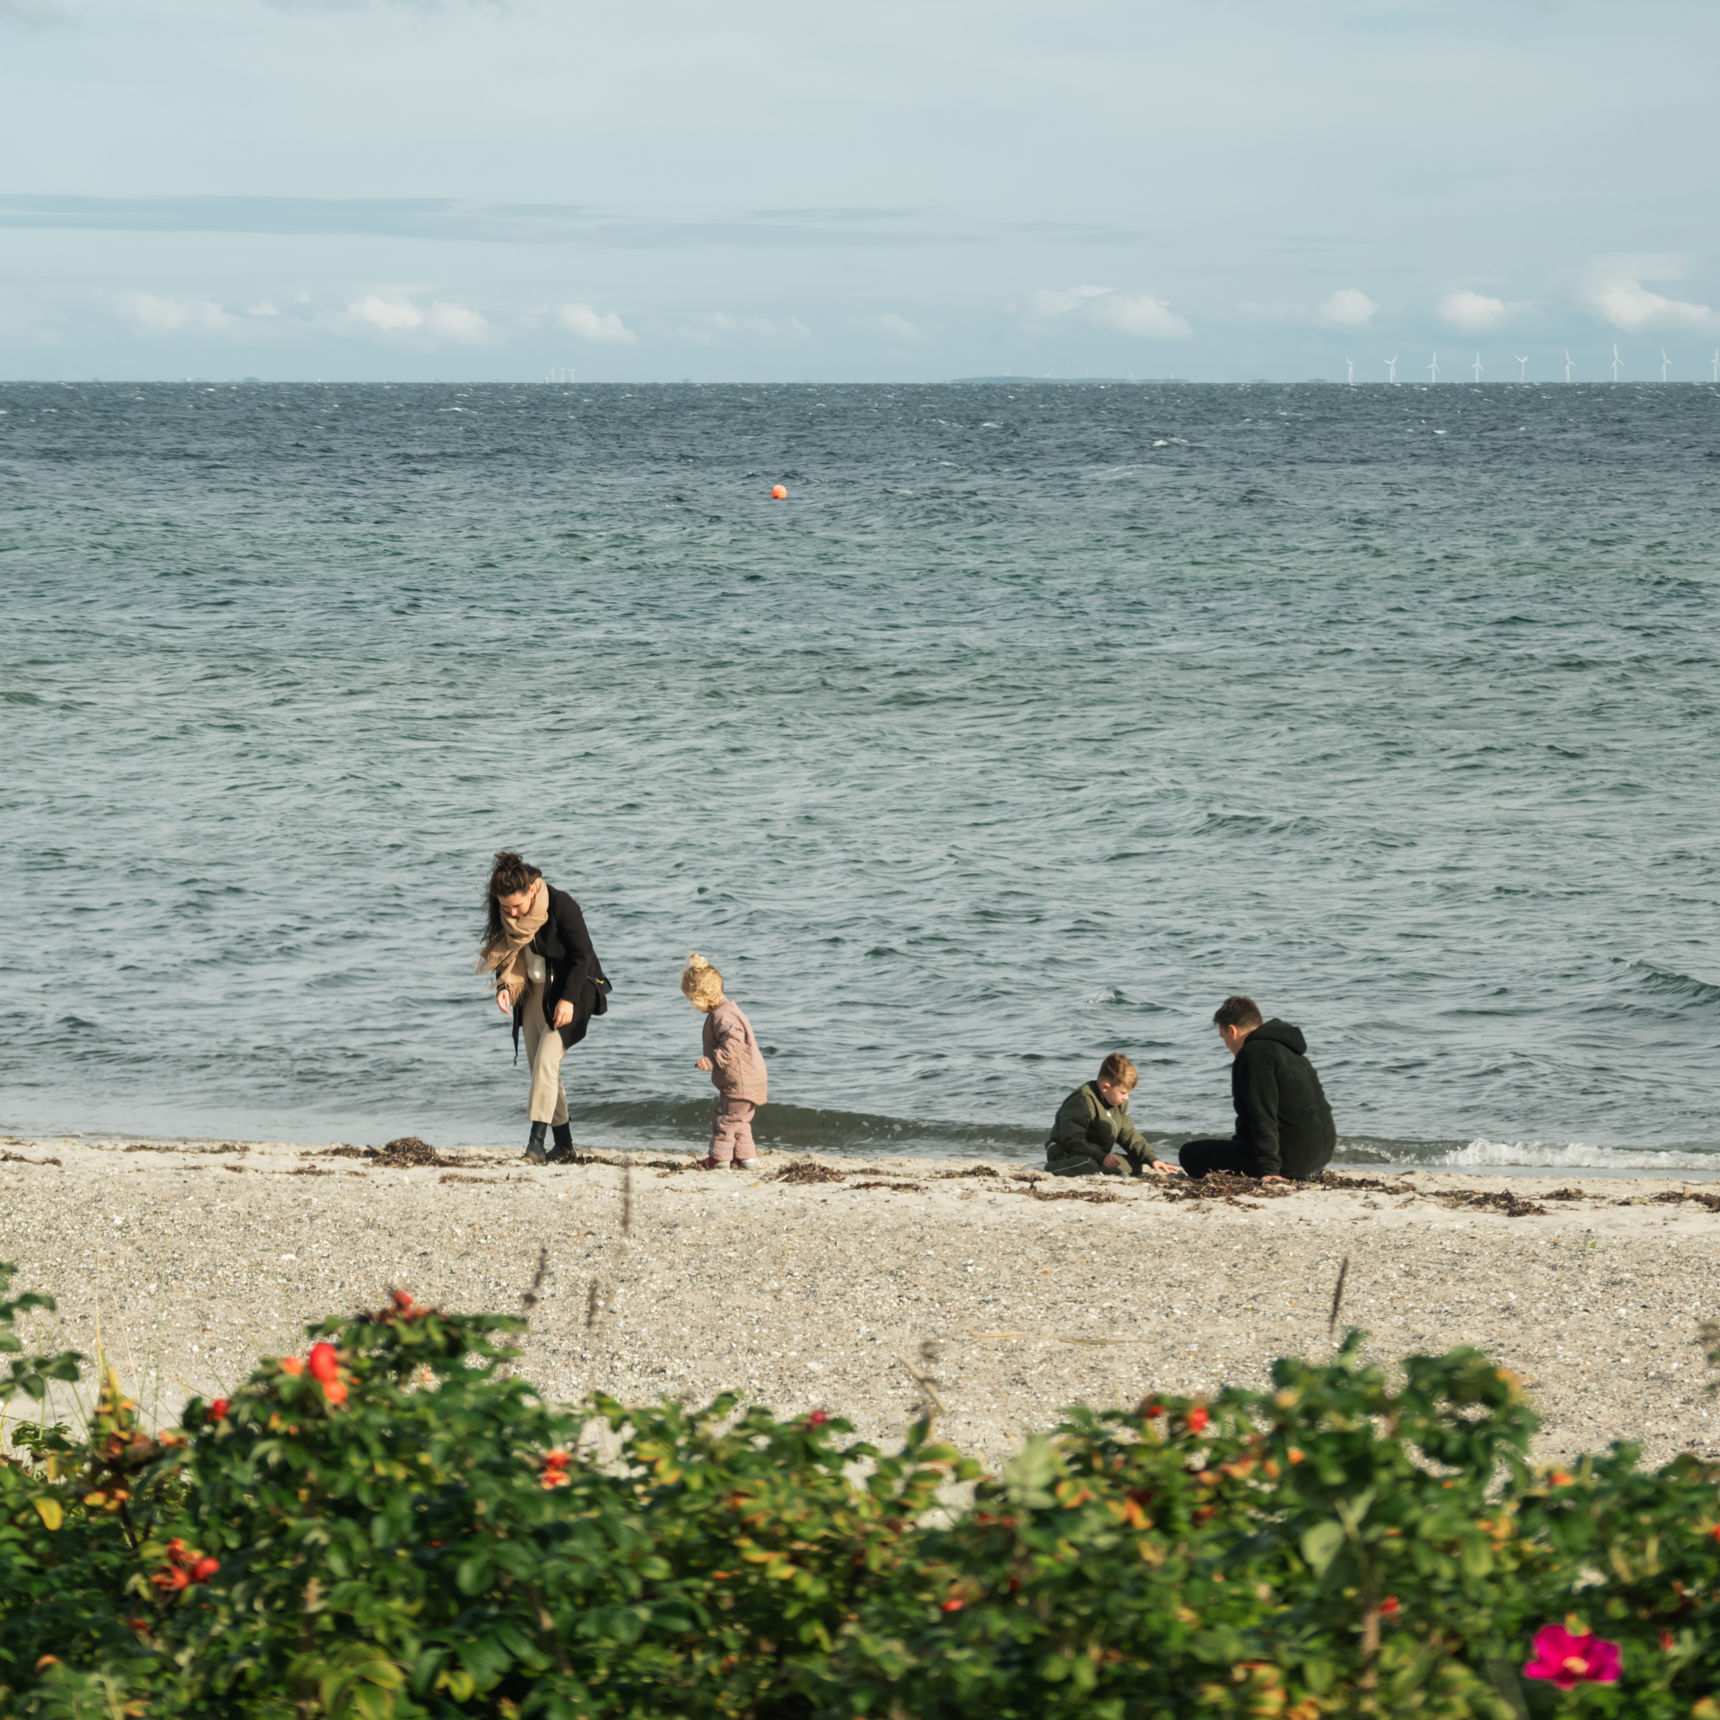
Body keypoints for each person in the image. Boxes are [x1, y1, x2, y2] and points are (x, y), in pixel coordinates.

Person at [474, 851, 610, 1164]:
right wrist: (505, 986)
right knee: (540, 1070)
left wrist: (568, 999)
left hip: (573, 990)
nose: (512, 913)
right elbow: (506, 950)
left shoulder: (562, 905)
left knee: (546, 1064)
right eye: (505, 907)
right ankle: (564, 1145)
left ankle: (535, 1146)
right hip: (533, 992)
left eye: (517, 906)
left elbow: (583, 957)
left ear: (532, 891)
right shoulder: (506, 912)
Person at [1179, 996, 1336, 1182]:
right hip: (1319, 1157)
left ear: (1232, 1031)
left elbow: (1262, 1114)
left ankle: (1271, 1166)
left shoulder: (1252, 1054)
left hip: (1290, 1161)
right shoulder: (1290, 1050)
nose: (1226, 1045)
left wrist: (1269, 1170)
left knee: (1189, 1154)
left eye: (1223, 1037)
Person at [680, 952, 768, 1171]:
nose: (692, 1004)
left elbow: (734, 1042)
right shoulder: (726, 1011)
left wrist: (711, 1060)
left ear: (702, 995)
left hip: (739, 1082)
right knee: (740, 1122)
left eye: (691, 998)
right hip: (750, 1080)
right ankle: (745, 1158)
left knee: (725, 1119)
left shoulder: (723, 1015)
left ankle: (719, 1159)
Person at [1045, 1052, 1181, 1177]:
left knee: (1136, 1165)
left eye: (1128, 1093)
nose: (1126, 1097)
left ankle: (1102, 1166)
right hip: (1066, 1153)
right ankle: (1051, 1168)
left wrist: (1152, 1159)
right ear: (1105, 1087)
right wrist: (1101, 1156)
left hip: (1098, 1156)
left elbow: (1128, 1134)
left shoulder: (1118, 1103)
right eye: (1123, 1093)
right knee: (1088, 1165)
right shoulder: (1083, 1100)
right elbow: (1072, 1140)